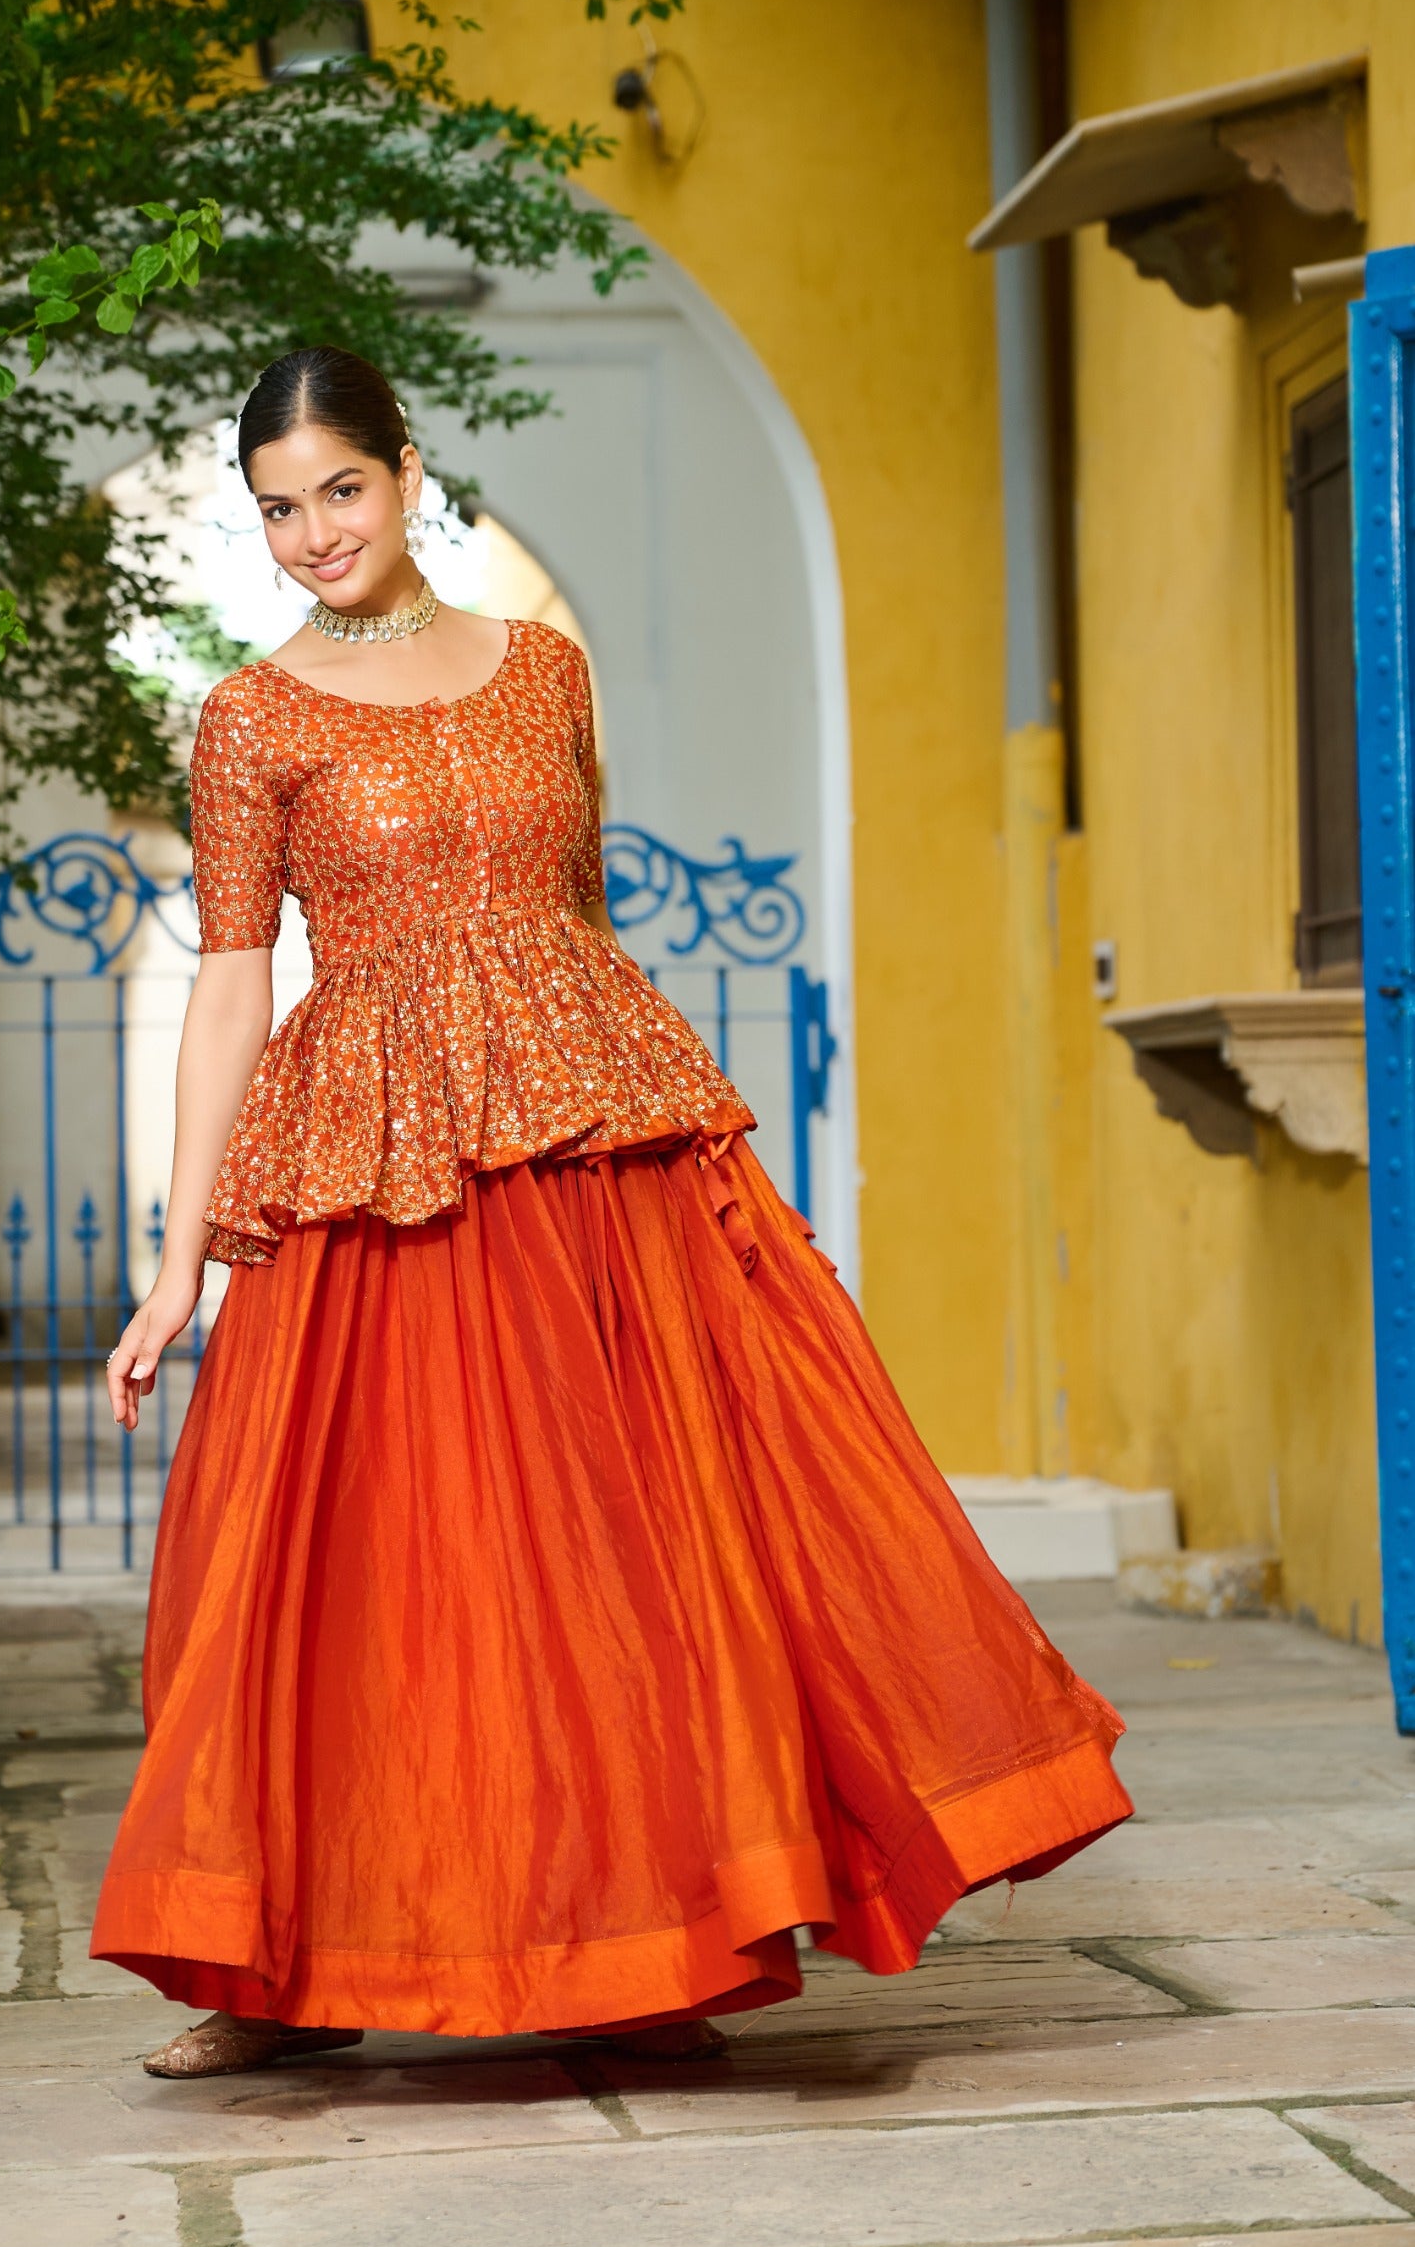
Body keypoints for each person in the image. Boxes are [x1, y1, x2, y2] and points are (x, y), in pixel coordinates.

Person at [91, 345, 1131, 2078]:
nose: (311, 536)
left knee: (637, 1549)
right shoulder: (248, 719)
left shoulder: (548, 674)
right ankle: (284, 1977)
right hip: (372, 1164)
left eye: (339, 490)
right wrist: (181, 1254)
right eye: (278, 509)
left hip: (590, 1152)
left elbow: (568, 912)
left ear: (408, 471)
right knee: (358, 1574)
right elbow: (224, 987)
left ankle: (658, 1940)